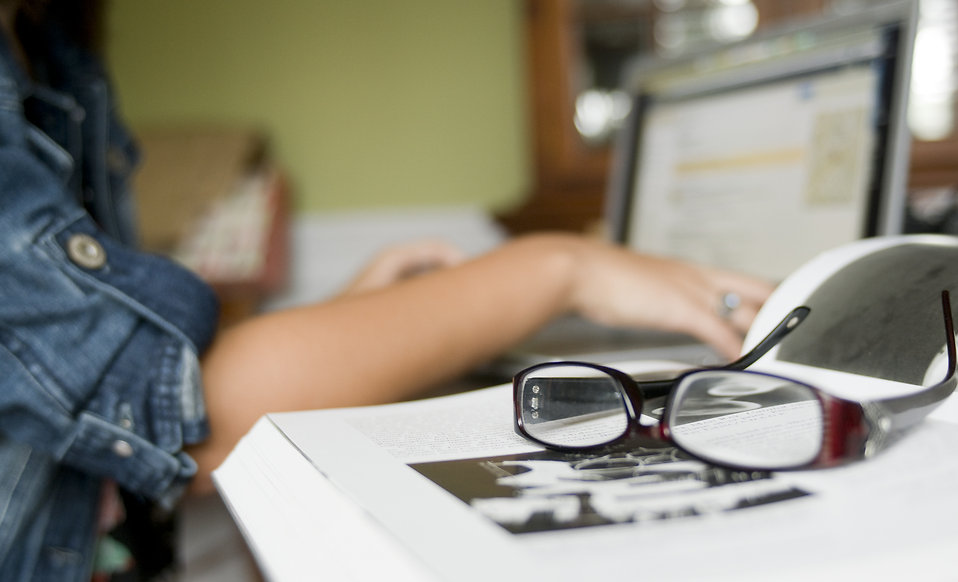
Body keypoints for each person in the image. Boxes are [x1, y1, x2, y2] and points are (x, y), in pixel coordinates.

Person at [0, 1, 773, 580]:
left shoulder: (49, 46)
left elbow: (107, 383)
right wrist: (561, 268)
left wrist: (353, 325)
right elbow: (179, 417)